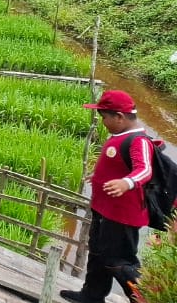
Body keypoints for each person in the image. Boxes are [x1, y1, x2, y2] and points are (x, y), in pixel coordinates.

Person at [61, 90, 154, 303]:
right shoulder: (120, 136)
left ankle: (144, 299)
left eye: (104, 117)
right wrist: (100, 176)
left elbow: (145, 169)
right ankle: (91, 296)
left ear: (119, 117)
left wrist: (126, 182)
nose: (103, 122)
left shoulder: (139, 140)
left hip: (122, 216)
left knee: (118, 261)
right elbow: (118, 165)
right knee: (98, 254)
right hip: (104, 210)